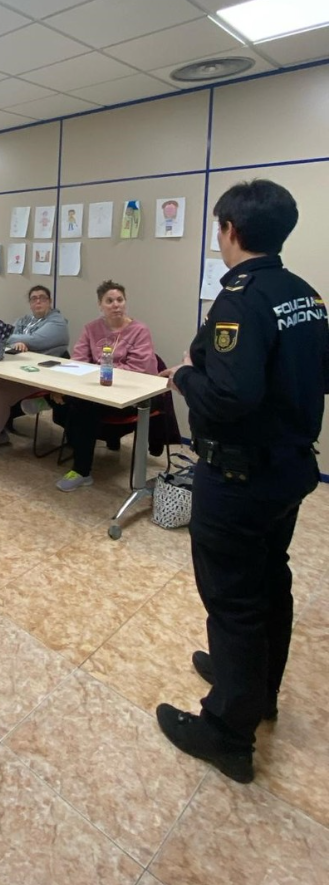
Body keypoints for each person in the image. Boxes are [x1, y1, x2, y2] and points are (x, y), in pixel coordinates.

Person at [156, 180, 329, 783]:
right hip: (287, 469)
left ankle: (227, 730)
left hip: (239, 475)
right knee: (268, 581)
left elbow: (230, 395)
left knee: (231, 597)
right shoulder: (305, 295)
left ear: (229, 229)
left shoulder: (239, 298)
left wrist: (183, 375)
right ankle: (257, 689)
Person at [56, 280, 157, 491]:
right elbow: (79, 360)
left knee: (82, 407)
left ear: (125, 302)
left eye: (120, 300)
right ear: (100, 305)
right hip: (97, 389)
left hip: (132, 394)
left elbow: (137, 370)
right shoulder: (92, 328)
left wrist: (102, 369)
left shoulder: (139, 330)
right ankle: (81, 449)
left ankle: (82, 470)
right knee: (61, 399)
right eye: (109, 301)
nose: (116, 305)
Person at [0, 285, 69, 461]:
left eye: (42, 297)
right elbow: (12, 337)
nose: (38, 301)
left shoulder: (57, 322)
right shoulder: (24, 320)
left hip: (41, 372)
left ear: (50, 301)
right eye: (34, 298)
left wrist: (9, 338)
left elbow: (36, 340)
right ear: (30, 303)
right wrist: (15, 341)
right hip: (15, 367)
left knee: (0, 392)